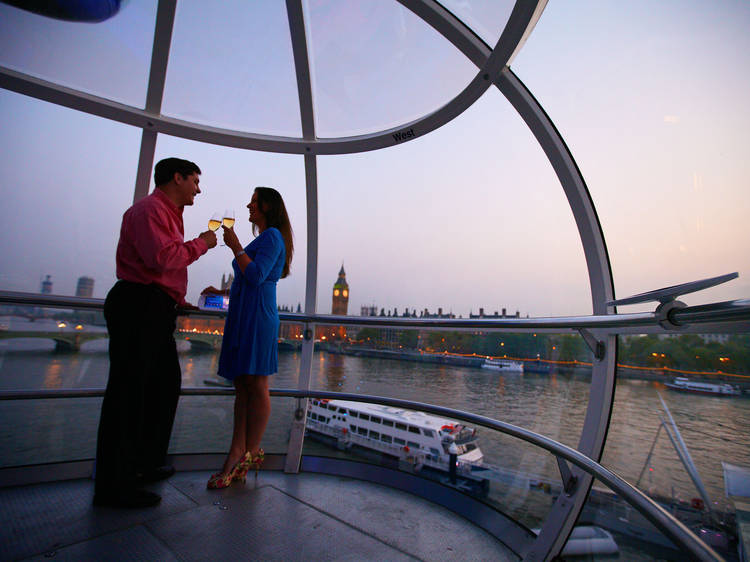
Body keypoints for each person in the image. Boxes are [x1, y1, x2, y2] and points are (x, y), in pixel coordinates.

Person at [94, 158, 218, 508]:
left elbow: (161, 269)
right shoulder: (150, 210)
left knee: (163, 387)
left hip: (156, 307)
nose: (198, 188)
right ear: (176, 178)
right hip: (138, 307)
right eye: (194, 180)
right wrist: (202, 243)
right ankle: (113, 486)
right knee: (128, 397)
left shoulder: (168, 214)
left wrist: (178, 300)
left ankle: (143, 464)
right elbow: (162, 260)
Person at [201, 187, 293, 489]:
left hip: (258, 317)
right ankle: (236, 450)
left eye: (254, 201)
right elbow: (247, 279)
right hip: (242, 314)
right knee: (241, 384)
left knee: (257, 383)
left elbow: (256, 276)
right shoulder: (263, 239)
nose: (249, 205)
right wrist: (222, 292)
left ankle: (249, 452)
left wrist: (235, 246)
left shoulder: (273, 237)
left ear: (267, 206)